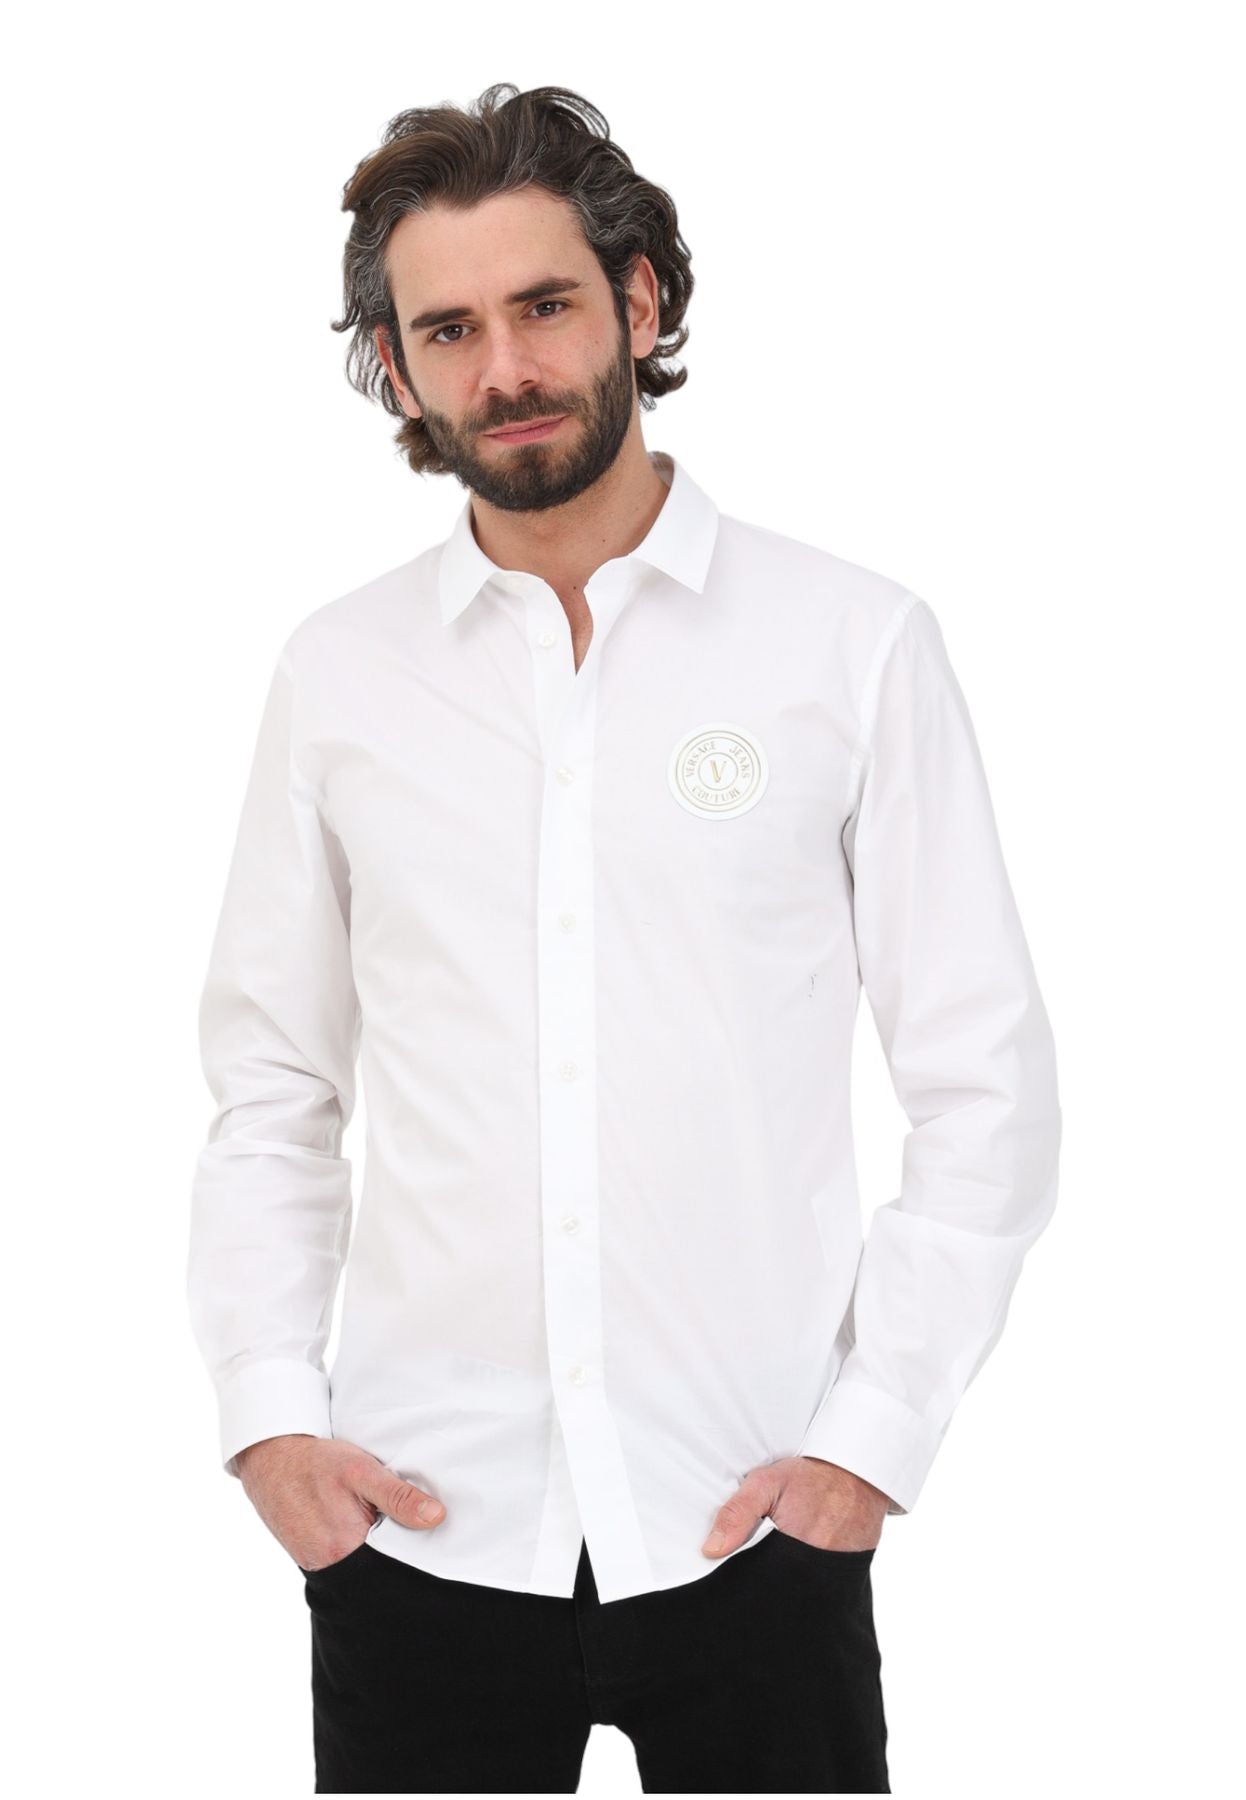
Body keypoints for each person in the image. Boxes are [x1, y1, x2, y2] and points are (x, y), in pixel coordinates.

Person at [186, 81, 1062, 1795]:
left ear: (639, 300)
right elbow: (272, 1088)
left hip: (751, 1524)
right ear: (396, 368)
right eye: (447, 330)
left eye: (544, 305)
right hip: (419, 1530)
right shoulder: (340, 675)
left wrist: (868, 1447)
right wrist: (269, 1420)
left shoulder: (849, 644)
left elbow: (985, 1088)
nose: (504, 367)